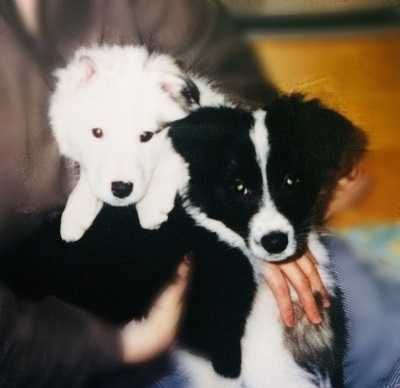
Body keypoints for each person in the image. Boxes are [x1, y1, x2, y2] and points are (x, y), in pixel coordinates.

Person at [0, 1, 399, 387]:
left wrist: (262, 202)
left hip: (209, 217)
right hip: (71, 321)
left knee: (378, 324)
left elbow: (242, 97)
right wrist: (120, 346)